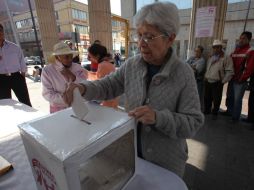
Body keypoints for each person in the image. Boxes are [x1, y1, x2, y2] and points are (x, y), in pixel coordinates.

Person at [63, 2, 204, 177]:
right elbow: (107, 86)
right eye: (139, 35)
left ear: (170, 38)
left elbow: (193, 123)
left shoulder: (183, 73)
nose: (141, 44)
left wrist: (158, 117)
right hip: (131, 154)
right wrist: (83, 88)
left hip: (167, 161)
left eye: (150, 37)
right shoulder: (132, 65)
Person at [41, 41, 88, 113]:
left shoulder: (77, 67)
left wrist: (72, 76)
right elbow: (47, 93)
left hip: (77, 105)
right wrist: (65, 99)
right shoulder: (47, 71)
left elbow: (84, 84)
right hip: (57, 108)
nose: (70, 59)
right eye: (66, 57)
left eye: (71, 56)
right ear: (57, 57)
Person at [222, 31, 254, 122]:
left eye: (243, 38)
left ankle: (235, 117)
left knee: (237, 100)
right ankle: (229, 111)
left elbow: (250, 68)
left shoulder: (250, 51)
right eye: (240, 38)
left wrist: (242, 78)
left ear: (249, 39)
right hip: (232, 78)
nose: (241, 40)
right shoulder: (236, 50)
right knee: (230, 96)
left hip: (240, 80)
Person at [0, 23, 32, 106]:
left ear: (3, 32)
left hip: (16, 77)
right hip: (1, 79)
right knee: (6, 104)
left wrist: (23, 74)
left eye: (0, 31)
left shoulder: (14, 47)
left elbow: (22, 61)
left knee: (25, 102)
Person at [203, 40, 234, 119]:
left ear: (221, 47)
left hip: (217, 81)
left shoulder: (226, 57)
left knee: (216, 99)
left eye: (217, 47)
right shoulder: (211, 56)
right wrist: (206, 77)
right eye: (214, 47)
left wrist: (223, 81)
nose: (216, 49)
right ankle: (207, 110)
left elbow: (230, 71)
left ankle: (215, 112)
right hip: (208, 80)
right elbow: (208, 68)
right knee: (207, 97)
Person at [88, 43, 118, 108]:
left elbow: (100, 86)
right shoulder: (107, 63)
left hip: (108, 101)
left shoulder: (102, 66)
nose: (90, 59)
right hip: (113, 98)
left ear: (97, 56)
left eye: (91, 56)